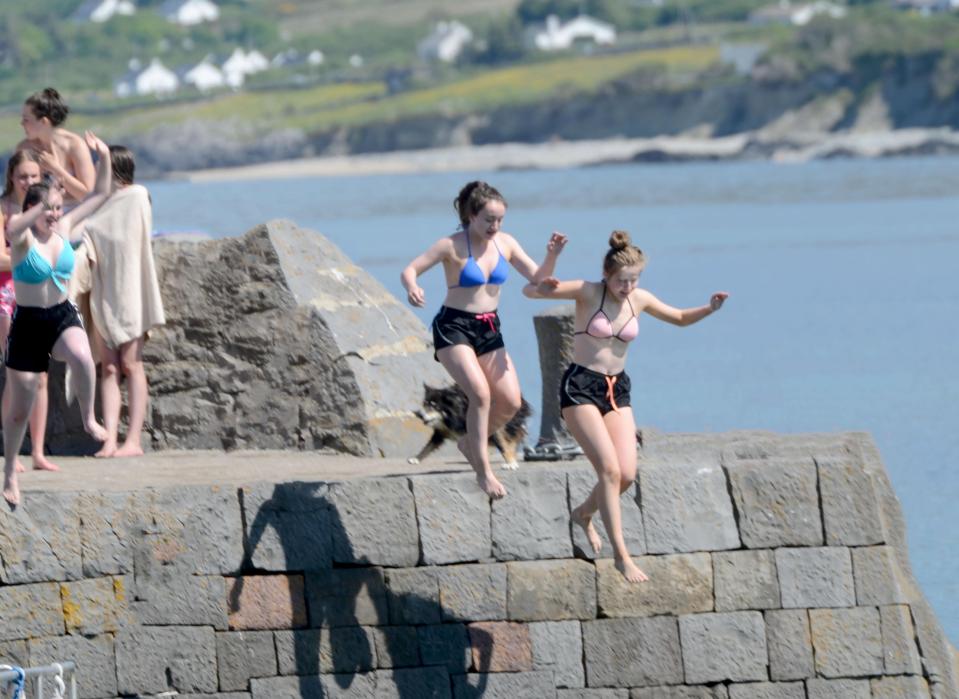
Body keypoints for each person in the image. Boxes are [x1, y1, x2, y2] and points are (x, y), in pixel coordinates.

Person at [523, 230, 728, 582]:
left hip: (618, 389)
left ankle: (583, 514)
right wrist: (551, 263)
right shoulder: (589, 292)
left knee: (627, 475)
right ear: (607, 275)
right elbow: (532, 290)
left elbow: (679, 317)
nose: (628, 287)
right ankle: (622, 555)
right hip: (581, 387)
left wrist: (709, 308)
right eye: (622, 280)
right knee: (609, 471)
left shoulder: (641, 299)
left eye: (634, 279)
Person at [400, 181, 567, 499]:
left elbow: (539, 279)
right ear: (470, 216)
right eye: (489, 219)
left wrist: (552, 256)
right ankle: (484, 472)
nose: (495, 226)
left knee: (510, 402)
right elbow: (411, 269)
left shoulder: (506, 243)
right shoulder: (450, 245)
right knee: (480, 394)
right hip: (454, 327)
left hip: (489, 328)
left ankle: (468, 443)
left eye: (500, 219)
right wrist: (412, 287)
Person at [2, 132, 112, 507]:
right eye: (48, 209)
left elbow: (99, 195)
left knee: (83, 356)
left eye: (57, 208)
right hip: (29, 323)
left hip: (62, 315)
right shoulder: (23, 240)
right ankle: (10, 473)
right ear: (34, 209)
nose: (54, 214)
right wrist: (40, 202)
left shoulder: (63, 230)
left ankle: (89, 418)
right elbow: (14, 227)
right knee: (20, 407)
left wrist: (105, 157)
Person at [78, 145, 165, 458]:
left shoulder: (137, 196)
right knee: (110, 369)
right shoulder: (100, 204)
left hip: (130, 291)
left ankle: (134, 441)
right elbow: (84, 231)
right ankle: (110, 439)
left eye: (101, 165)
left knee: (131, 363)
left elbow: (119, 231)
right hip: (103, 290)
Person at [0, 150, 59, 472]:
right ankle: (14, 451)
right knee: (16, 374)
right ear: (11, 176)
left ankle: (37, 452)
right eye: (23, 176)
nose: (28, 182)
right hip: (7, 295)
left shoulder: (46, 207)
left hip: (39, 297)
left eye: (34, 176)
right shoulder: (4, 209)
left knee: (41, 377)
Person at [17, 87, 95, 204]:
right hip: (40, 214)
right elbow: (18, 195)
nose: (21, 123)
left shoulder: (74, 145)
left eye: (26, 119)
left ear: (43, 122)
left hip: (77, 212)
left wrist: (55, 169)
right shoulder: (24, 148)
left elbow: (89, 195)